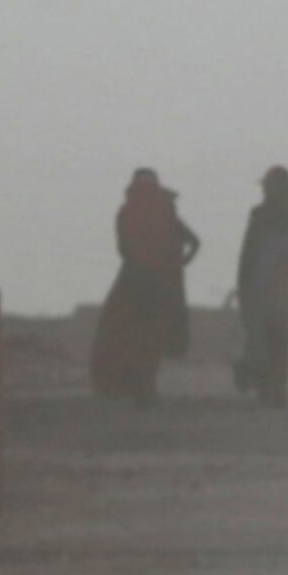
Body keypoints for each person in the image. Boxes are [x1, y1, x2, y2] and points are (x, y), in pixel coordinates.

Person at [93, 169, 202, 404]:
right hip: (163, 281)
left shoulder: (126, 212)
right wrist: (180, 262)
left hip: (132, 280)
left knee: (125, 332)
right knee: (153, 336)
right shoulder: (166, 213)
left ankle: (131, 385)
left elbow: (122, 249)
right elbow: (195, 242)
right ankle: (146, 386)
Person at [231, 167, 288, 408]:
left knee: (259, 331)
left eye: (266, 184)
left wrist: (242, 280)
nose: (263, 188)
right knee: (279, 332)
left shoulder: (259, 214)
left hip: (261, 276)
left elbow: (250, 249)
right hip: (284, 277)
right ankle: (277, 385)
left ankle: (262, 382)